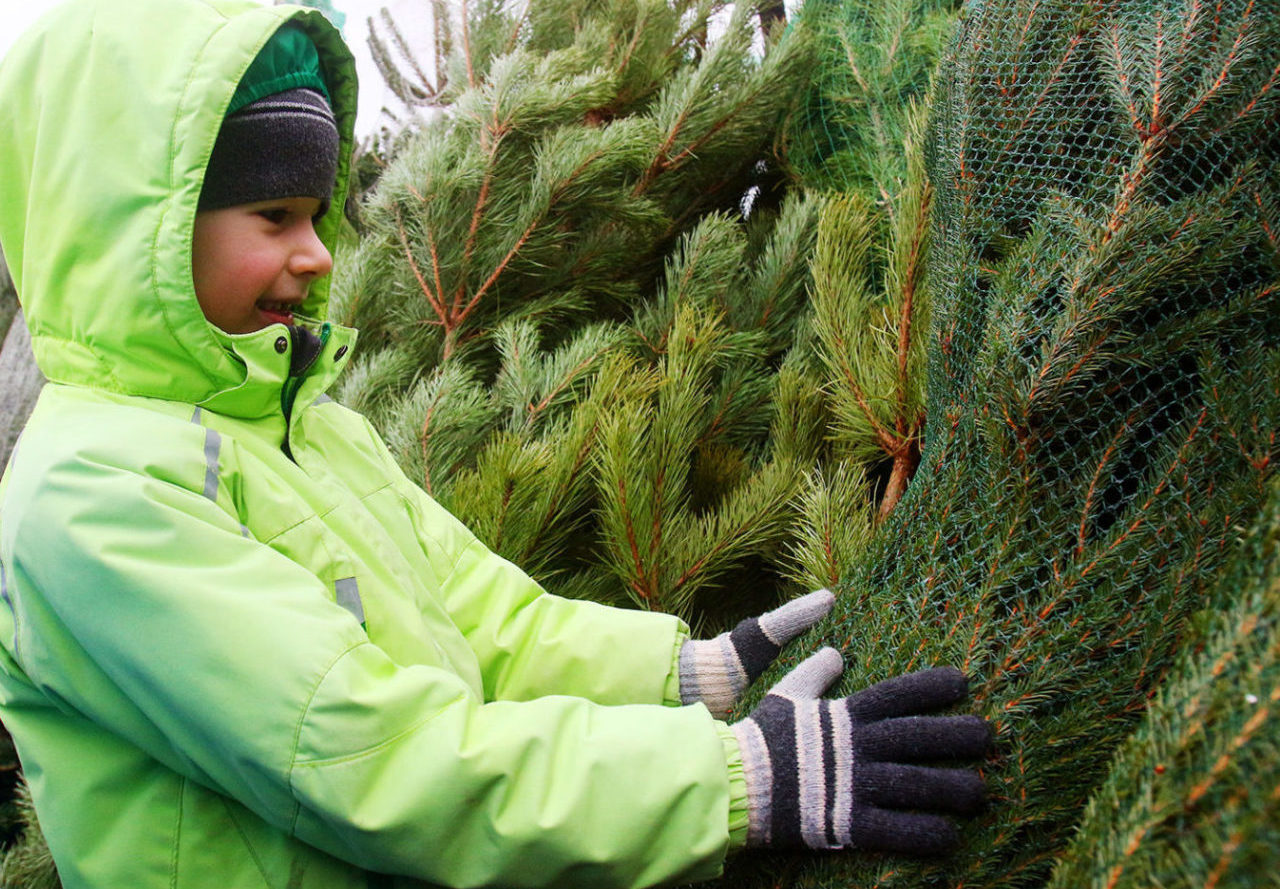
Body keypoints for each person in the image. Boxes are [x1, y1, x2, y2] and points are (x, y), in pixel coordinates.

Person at [0, 2, 992, 887]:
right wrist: (728, 778)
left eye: (314, 215)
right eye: (272, 216)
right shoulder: (95, 497)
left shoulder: (306, 429)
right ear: (141, 228)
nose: (314, 253)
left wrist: (678, 675)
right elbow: (369, 761)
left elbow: (483, 618)